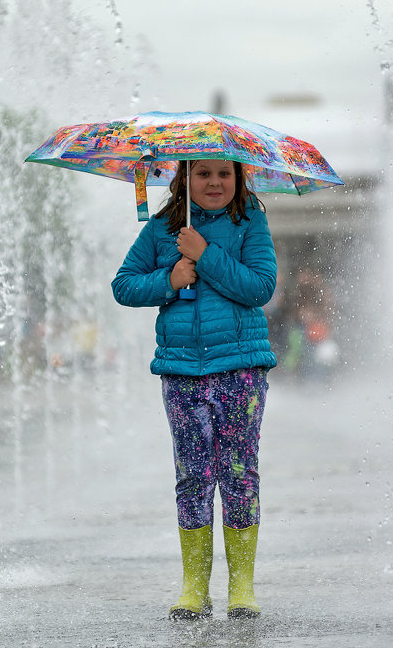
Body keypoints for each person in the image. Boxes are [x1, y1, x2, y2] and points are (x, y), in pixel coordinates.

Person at [112, 158, 277, 620]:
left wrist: (206, 255)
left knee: (239, 473)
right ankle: (193, 587)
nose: (215, 182)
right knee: (193, 476)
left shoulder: (251, 224)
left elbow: (261, 287)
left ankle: (241, 585)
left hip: (240, 371)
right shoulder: (163, 229)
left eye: (225, 174)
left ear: (239, 179)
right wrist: (169, 280)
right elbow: (123, 286)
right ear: (184, 177)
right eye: (203, 173)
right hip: (182, 372)